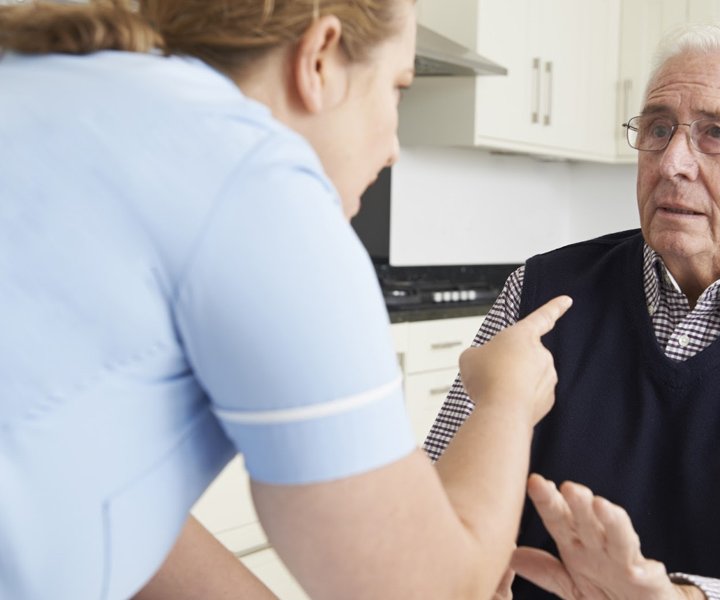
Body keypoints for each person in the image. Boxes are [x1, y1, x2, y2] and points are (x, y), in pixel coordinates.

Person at [0, 1, 574, 598]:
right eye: (397, 88)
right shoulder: (257, 182)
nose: (393, 148)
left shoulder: (57, 88)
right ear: (319, 59)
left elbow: (103, 489)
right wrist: (505, 401)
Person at [425, 21, 720, 600]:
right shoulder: (540, 293)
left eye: (717, 133)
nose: (672, 161)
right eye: (657, 128)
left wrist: (678, 598)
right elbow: (432, 510)